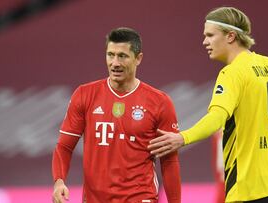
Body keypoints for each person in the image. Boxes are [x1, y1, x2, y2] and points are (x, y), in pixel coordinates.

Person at [148, 7, 268, 203]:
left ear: (230, 36)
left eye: (210, 35)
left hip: (249, 191)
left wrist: (183, 137)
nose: (205, 42)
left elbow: (216, 118)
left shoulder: (232, 74)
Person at [52, 27, 181, 203]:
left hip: (140, 198)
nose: (115, 63)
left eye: (122, 56)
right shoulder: (84, 94)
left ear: (138, 59)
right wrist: (59, 182)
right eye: (110, 55)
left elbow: (169, 161)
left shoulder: (160, 102)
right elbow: (64, 147)